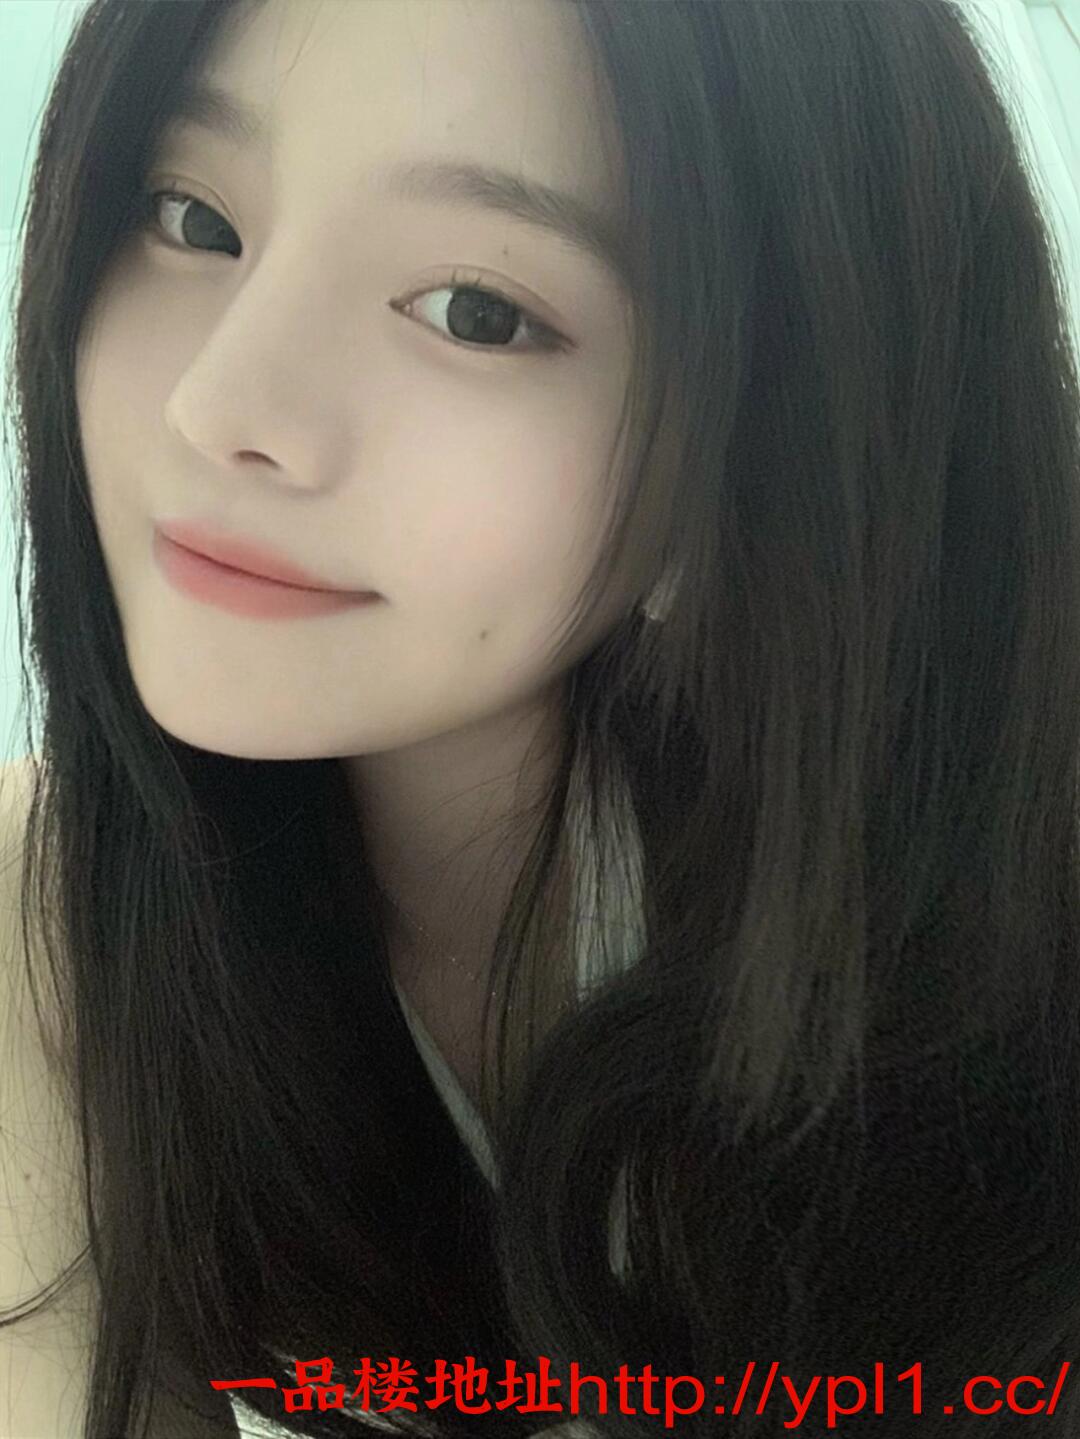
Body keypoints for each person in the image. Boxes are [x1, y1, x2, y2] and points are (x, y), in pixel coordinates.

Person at [2, 0, 1080, 1435]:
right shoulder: (48, 920)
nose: (220, 404)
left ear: (762, 458)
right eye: (193, 219)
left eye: (476, 311)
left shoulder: (994, 968)